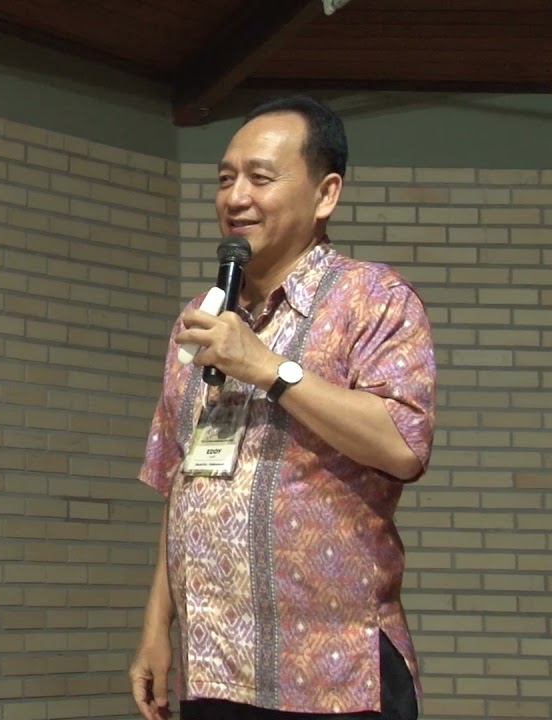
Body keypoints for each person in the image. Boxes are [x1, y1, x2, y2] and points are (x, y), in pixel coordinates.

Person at [129, 95, 436, 720]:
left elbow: (402, 445)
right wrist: (157, 628)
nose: (236, 197)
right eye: (225, 179)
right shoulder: (199, 321)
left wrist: (267, 367)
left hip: (337, 673)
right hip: (214, 667)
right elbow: (183, 484)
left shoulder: (372, 298)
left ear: (325, 195)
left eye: (260, 178)